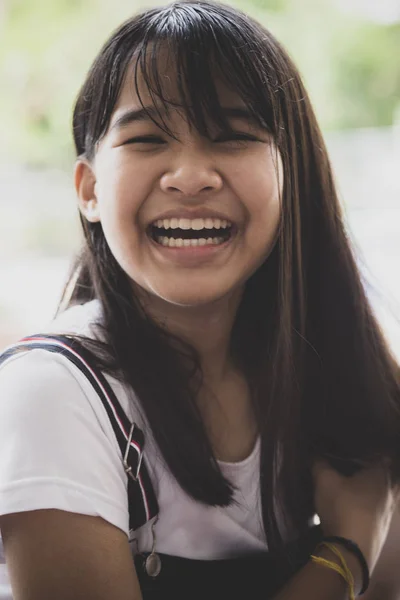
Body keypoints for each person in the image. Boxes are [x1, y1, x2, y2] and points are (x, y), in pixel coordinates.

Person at [0, 1, 399, 598]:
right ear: (89, 190)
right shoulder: (52, 393)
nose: (189, 176)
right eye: (147, 138)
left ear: (294, 177)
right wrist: (346, 551)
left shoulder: (339, 374)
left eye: (234, 137)